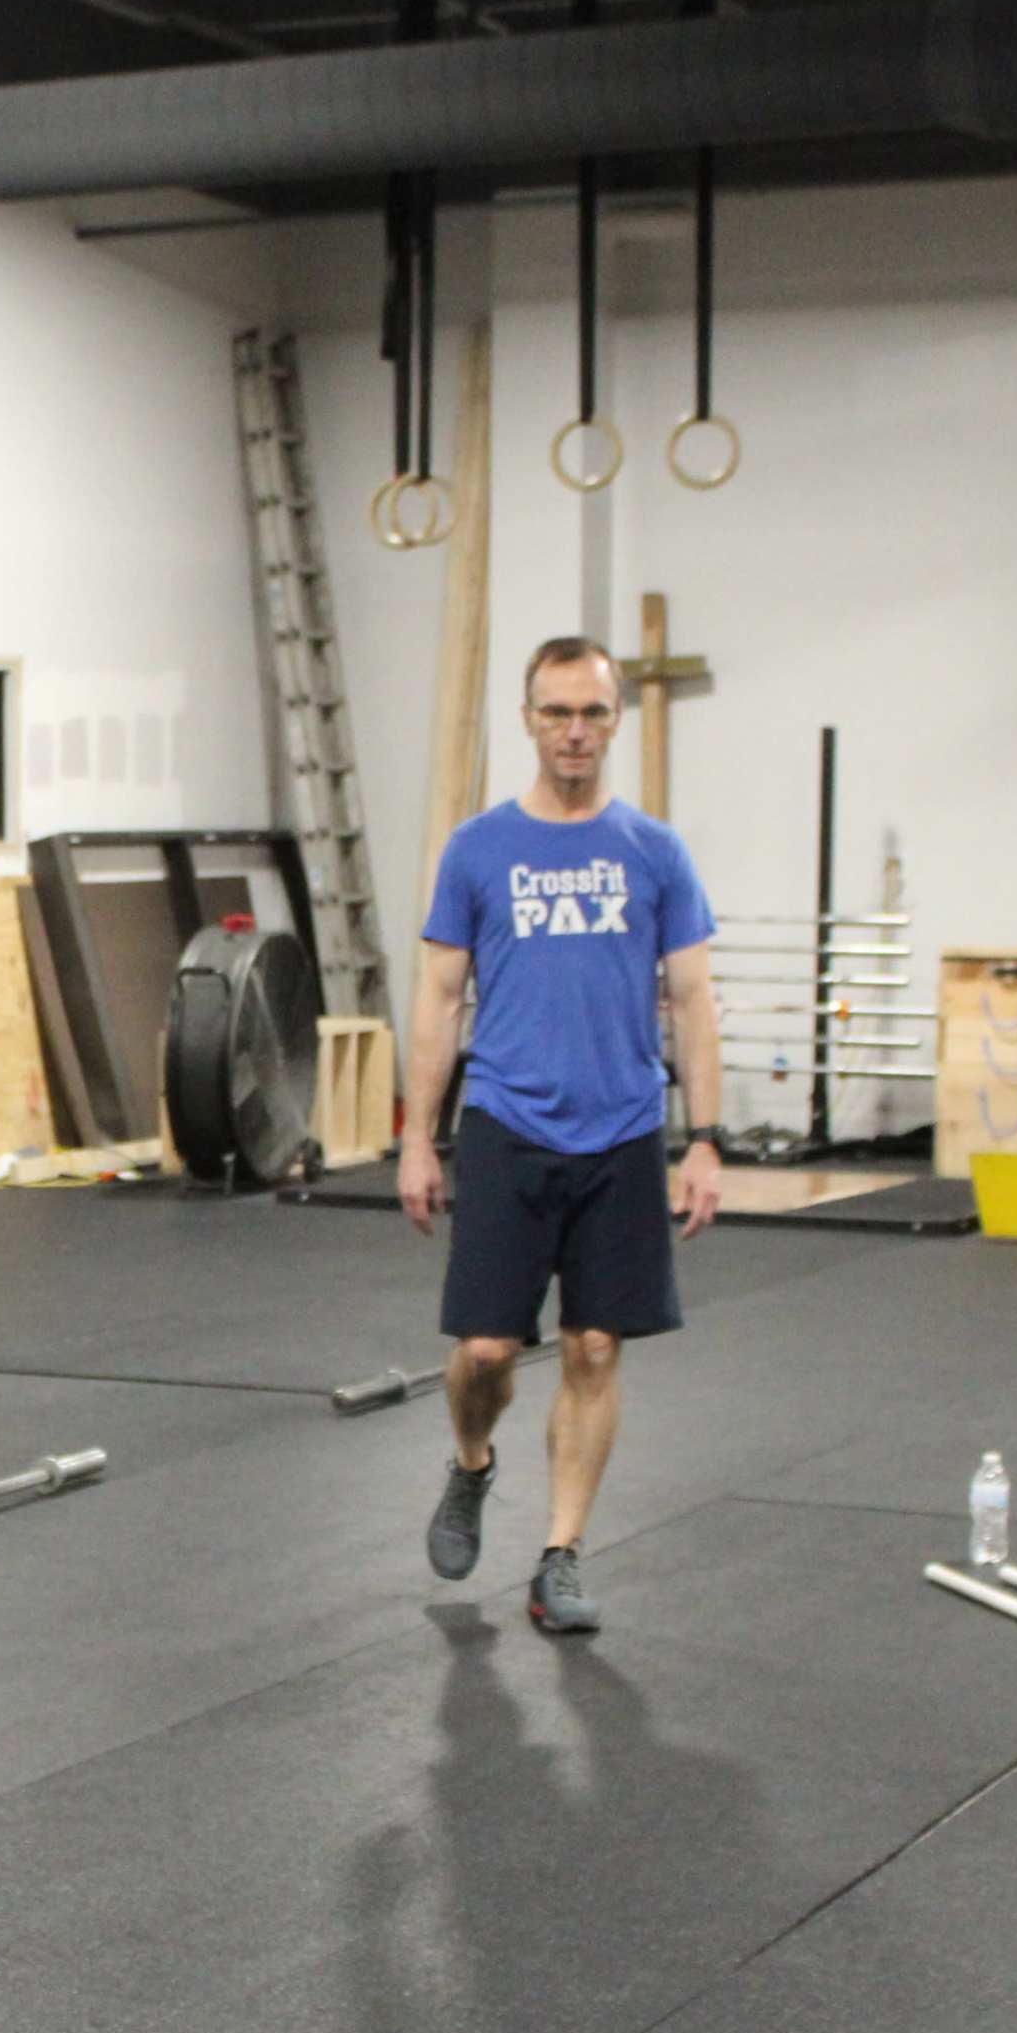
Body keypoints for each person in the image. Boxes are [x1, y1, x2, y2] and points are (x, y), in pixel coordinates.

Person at [394, 636, 725, 1635]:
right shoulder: (478, 848)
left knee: (591, 1348)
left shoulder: (654, 852)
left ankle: (560, 1558)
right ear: (528, 718)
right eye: (556, 713)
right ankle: (471, 1464)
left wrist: (705, 1137)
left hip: (622, 1131)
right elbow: (439, 998)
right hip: (507, 1124)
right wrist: (416, 1141)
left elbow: (697, 998)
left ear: (614, 718)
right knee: (487, 1350)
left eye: (592, 712)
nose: (575, 731)